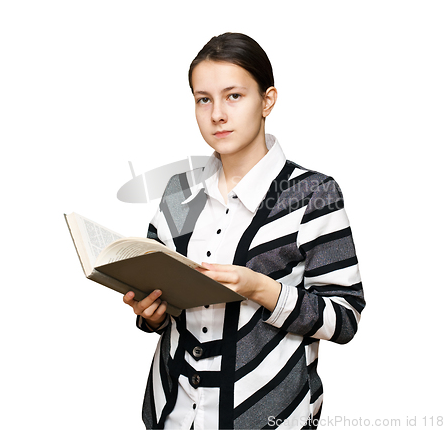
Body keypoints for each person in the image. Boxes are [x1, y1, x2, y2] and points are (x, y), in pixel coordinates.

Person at [123, 33, 365, 430]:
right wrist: (150, 313)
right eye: (204, 99)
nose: (217, 113)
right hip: (172, 416)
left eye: (233, 96)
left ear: (267, 100)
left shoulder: (313, 194)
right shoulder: (179, 194)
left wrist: (260, 289)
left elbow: (345, 318)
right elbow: (160, 306)